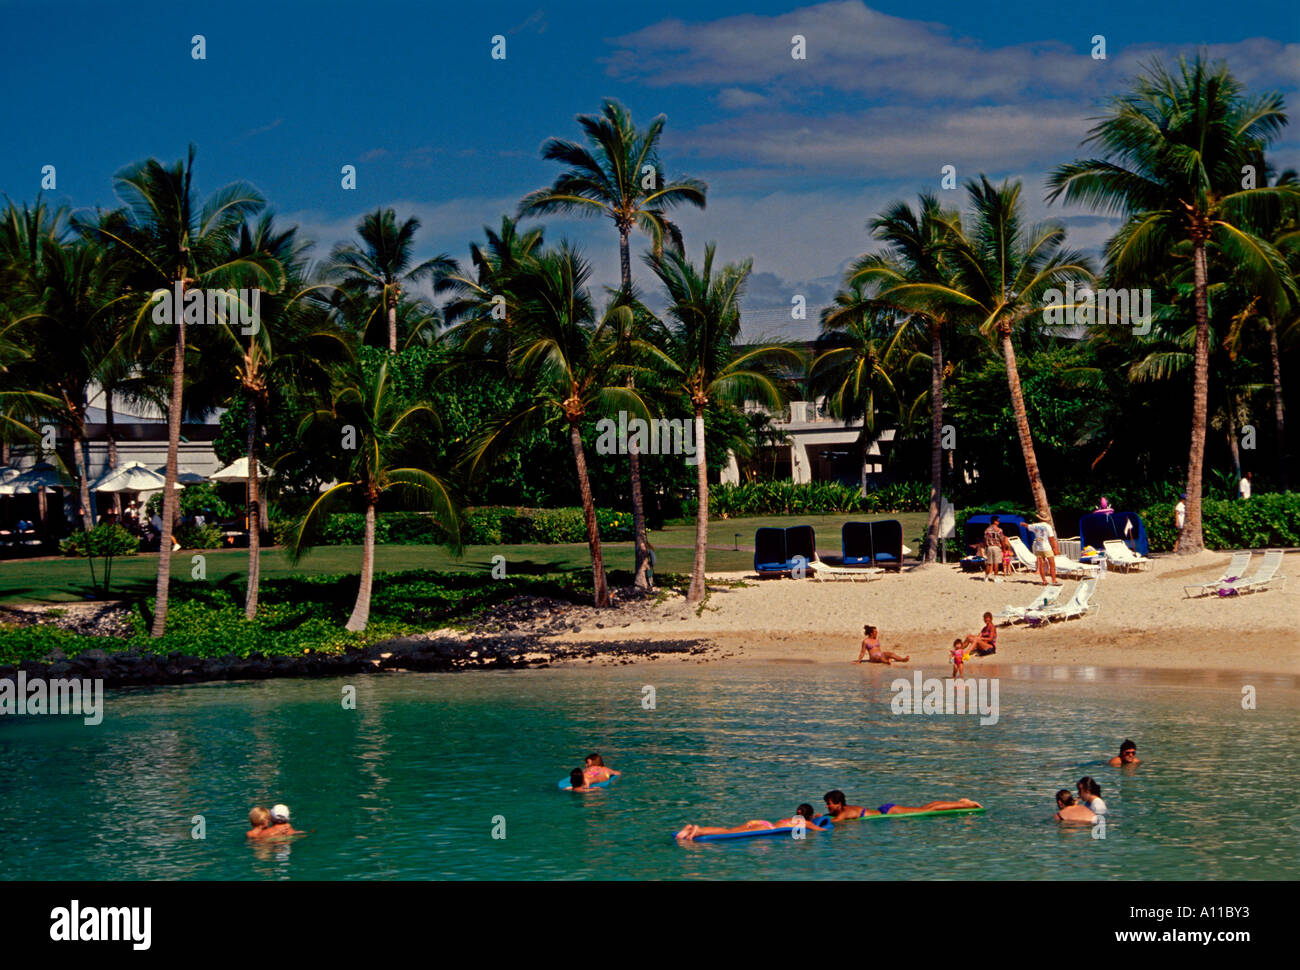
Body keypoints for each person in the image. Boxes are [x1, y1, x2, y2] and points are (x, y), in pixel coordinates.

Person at [675, 804, 830, 840]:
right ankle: (698, 831)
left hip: (762, 822)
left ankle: (692, 829)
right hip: (764, 827)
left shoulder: (793, 818)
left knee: (728, 830)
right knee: (729, 833)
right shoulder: (805, 822)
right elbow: (821, 830)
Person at [822, 790, 981, 821]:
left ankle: (965, 805)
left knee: (927, 809)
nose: (827, 807)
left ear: (839, 804)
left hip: (888, 812)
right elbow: (832, 817)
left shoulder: (843, 813)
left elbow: (835, 822)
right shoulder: (844, 810)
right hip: (886, 810)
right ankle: (960, 803)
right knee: (925, 807)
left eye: (829, 805)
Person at [1027, 513, 1059, 585]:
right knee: (1052, 564)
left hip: (1038, 548)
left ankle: (1044, 581)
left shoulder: (1035, 525)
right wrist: (1054, 548)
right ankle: (1053, 580)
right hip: (1047, 547)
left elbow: (1027, 526)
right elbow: (1051, 539)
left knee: (1041, 565)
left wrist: (1023, 524)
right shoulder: (1048, 526)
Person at [982, 516, 1005, 581]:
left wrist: (985, 547)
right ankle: (996, 577)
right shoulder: (999, 530)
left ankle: (986, 577)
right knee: (996, 563)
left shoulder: (987, 530)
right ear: (995, 521)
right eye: (998, 521)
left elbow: (984, 540)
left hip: (989, 547)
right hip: (996, 547)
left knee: (989, 563)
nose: (999, 522)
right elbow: (1002, 540)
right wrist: (1003, 549)